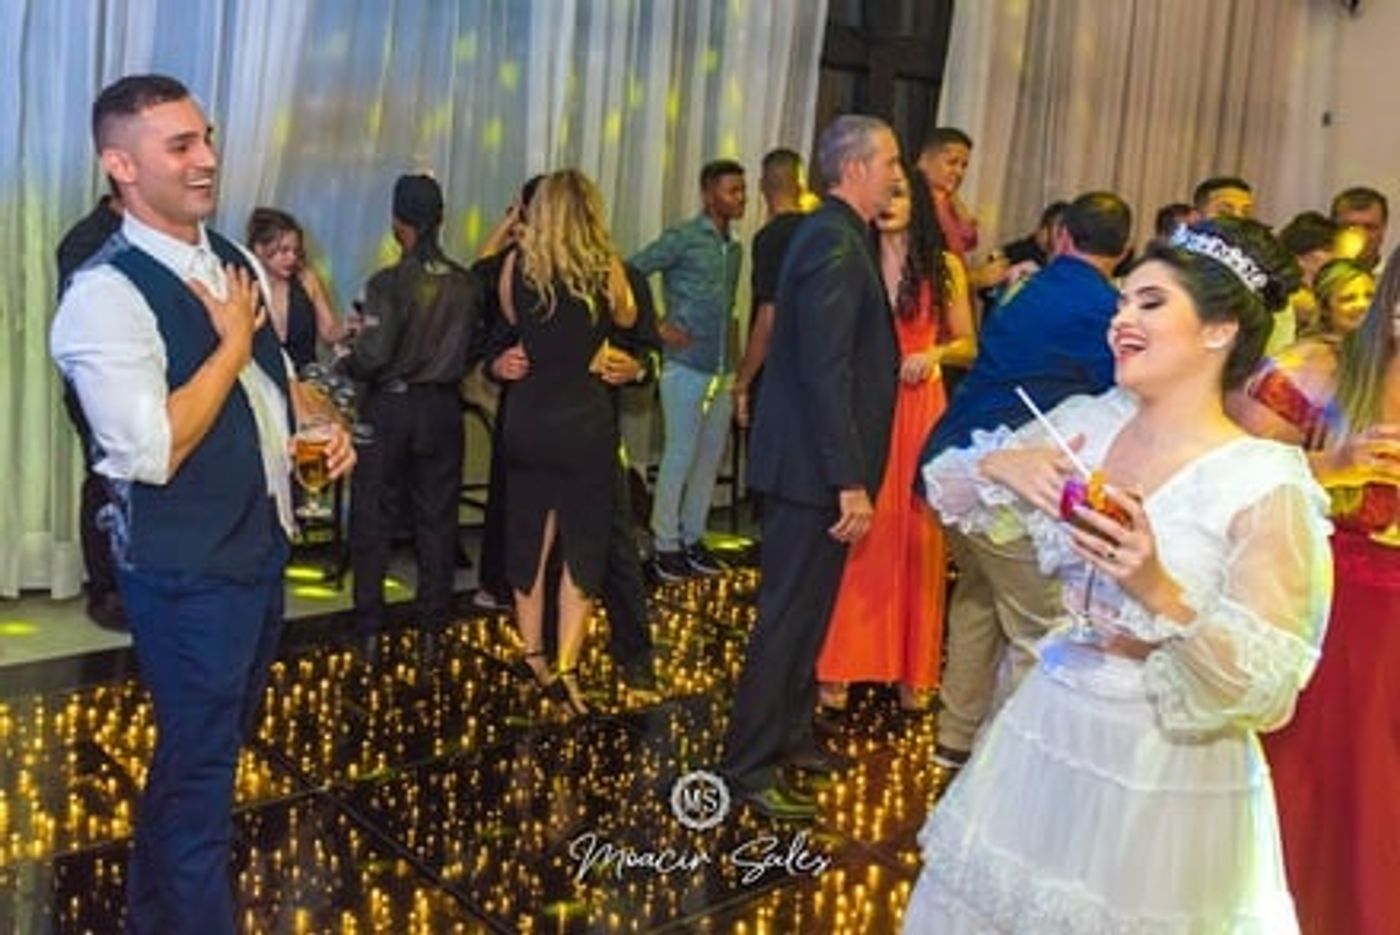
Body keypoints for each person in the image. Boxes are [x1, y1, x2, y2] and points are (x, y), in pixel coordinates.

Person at [903, 217, 1328, 932]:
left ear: (1219, 330)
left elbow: (1265, 684)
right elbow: (949, 483)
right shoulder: (1092, 422)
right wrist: (1003, 463)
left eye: (1150, 303)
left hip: (1166, 766)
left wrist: (1156, 586)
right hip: (1049, 723)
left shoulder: (1263, 483)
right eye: (1124, 301)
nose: (1121, 319)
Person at [49, 74, 355, 933]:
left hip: (256, 550)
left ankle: (151, 913)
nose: (207, 158)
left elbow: (277, 380)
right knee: (201, 784)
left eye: (206, 137)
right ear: (120, 164)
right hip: (185, 572)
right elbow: (153, 449)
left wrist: (323, 422)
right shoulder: (103, 294)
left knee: (200, 757)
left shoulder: (231, 255)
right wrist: (226, 344)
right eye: (180, 144)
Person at [720, 114, 902, 820]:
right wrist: (849, 479)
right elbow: (826, 371)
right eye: (889, 162)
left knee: (808, 616)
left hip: (810, 468)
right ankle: (747, 763)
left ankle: (791, 736)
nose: (896, 176)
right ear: (854, 167)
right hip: (811, 473)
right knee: (786, 620)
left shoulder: (839, 234)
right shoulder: (831, 239)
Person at [918, 191, 1131, 774]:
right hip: (1004, 479)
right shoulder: (1106, 311)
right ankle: (1006, 767)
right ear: (1125, 250)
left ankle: (955, 738)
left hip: (953, 462)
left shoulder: (1030, 285)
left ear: (1062, 236)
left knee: (978, 599)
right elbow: (1118, 392)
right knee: (1042, 629)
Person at [1228, 246, 1400, 935]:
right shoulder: (1320, 369)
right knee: (1328, 788)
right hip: (1338, 607)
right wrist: (1337, 463)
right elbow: (1232, 474)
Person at [816, 168, 975, 713]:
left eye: (901, 193)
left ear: (919, 203)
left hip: (921, 406)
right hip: (867, 405)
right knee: (864, 530)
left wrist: (934, 354)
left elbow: (968, 344)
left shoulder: (944, 267)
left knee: (917, 537)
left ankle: (913, 667)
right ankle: (841, 662)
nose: (889, 202)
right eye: (885, 191)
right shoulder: (852, 257)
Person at [497, 168, 638, 717]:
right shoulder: (604, 266)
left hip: (528, 418)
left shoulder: (517, 265)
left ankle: (533, 657)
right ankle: (566, 668)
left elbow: (512, 318)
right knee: (583, 544)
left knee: (529, 540)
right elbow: (627, 314)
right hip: (584, 421)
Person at [341, 174, 480, 631]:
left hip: (390, 410)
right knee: (437, 522)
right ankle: (432, 631)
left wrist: (347, 357)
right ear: (441, 219)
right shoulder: (465, 283)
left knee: (373, 518)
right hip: (444, 410)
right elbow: (473, 348)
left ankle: (368, 628)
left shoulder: (387, 282)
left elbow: (373, 357)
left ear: (397, 223)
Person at [630, 159, 746, 581]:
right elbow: (631, 271)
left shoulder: (734, 248)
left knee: (709, 456)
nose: (741, 198)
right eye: (732, 190)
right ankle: (665, 543)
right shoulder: (683, 237)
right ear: (709, 194)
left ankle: (693, 537)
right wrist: (657, 325)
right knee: (679, 454)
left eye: (742, 190)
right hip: (684, 367)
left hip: (721, 368)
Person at [55, 192, 127, 631]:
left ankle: (135, 585)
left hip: (146, 385)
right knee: (105, 483)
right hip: (97, 387)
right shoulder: (86, 240)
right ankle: (106, 591)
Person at [734, 147, 810, 430]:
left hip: (775, 373)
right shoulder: (819, 232)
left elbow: (769, 314)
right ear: (800, 185)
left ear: (763, 186)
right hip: (810, 367)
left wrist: (743, 381)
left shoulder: (770, 238)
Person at [244, 207, 343, 371]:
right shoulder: (242, 284)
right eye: (284, 251)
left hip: (305, 378)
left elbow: (329, 332)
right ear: (259, 249)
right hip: (260, 379)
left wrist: (349, 326)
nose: (292, 258)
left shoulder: (307, 279)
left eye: (296, 251)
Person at [1309, 257, 1375, 339]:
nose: (1363, 304)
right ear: (1325, 307)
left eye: (1370, 296)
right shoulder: (1310, 346)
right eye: (1348, 299)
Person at [1330, 185, 1389, 271]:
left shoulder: (1394, 277)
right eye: (1350, 227)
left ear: (1383, 230)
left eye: (1369, 227)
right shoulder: (1315, 276)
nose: (1360, 236)